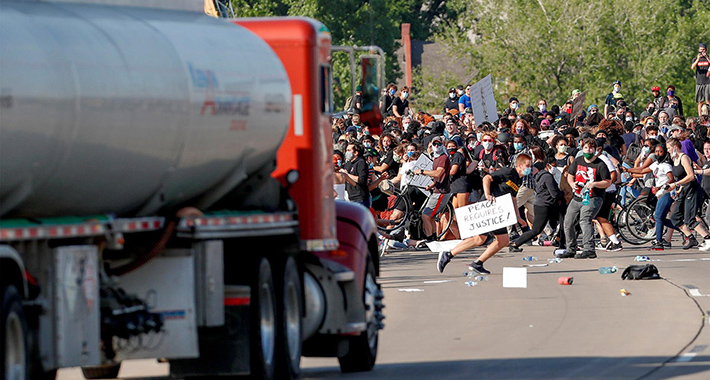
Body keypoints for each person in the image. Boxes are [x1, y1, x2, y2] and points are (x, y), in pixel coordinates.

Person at [436, 154, 532, 274]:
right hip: (488, 208)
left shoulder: (518, 179)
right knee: (481, 238)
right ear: (520, 165)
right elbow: (487, 178)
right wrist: (487, 195)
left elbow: (513, 198)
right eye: (528, 165)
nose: (530, 168)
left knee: (501, 240)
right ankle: (449, 254)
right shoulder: (509, 172)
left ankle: (477, 263)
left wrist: (517, 217)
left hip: (498, 211)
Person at [561, 138, 612, 259]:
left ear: (595, 150)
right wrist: (572, 184)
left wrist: (595, 184)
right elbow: (570, 175)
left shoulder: (600, 164)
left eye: (591, 148)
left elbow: (608, 182)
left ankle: (589, 249)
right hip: (578, 196)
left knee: (585, 220)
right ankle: (570, 248)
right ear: (582, 148)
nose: (588, 150)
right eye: (586, 148)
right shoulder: (578, 161)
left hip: (593, 197)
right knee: (568, 222)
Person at [509, 156, 565, 252]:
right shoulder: (547, 177)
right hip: (545, 206)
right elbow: (554, 194)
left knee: (564, 221)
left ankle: (560, 242)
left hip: (545, 205)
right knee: (536, 230)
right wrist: (563, 193)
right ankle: (515, 244)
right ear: (547, 166)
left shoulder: (539, 177)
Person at [666, 138, 710, 249]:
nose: (668, 151)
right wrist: (679, 188)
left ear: (675, 147)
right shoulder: (674, 159)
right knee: (675, 217)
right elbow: (680, 176)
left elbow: (691, 176)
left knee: (690, 218)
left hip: (692, 190)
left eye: (669, 148)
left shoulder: (684, 158)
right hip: (683, 190)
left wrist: (676, 184)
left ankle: (707, 238)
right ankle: (691, 238)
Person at [414, 136, 452, 242]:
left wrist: (422, 171)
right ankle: (434, 236)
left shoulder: (443, 158)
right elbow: (438, 177)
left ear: (442, 145)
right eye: (434, 144)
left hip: (441, 192)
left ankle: (430, 238)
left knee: (425, 215)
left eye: (439, 144)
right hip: (437, 190)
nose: (436, 146)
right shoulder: (436, 158)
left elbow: (438, 172)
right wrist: (431, 185)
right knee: (429, 215)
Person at [340, 142, 370, 207]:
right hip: (350, 197)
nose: (346, 152)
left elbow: (361, 179)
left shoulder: (361, 162)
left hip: (359, 198)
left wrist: (346, 175)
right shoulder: (349, 163)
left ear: (356, 153)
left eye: (349, 150)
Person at [692, 43, 710, 116]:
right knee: (700, 101)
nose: (702, 51)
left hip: (708, 81)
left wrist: (706, 57)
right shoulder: (696, 59)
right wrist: (698, 59)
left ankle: (708, 114)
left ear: (706, 50)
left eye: (703, 50)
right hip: (699, 82)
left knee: (708, 100)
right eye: (700, 50)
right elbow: (692, 67)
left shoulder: (708, 57)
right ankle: (700, 116)